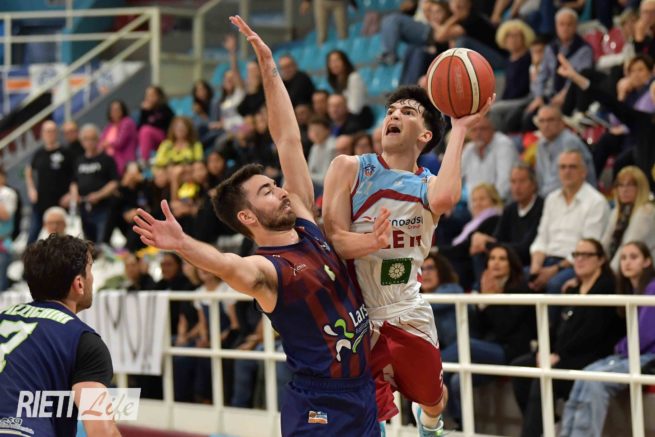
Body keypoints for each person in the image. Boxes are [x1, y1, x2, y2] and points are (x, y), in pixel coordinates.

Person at [133, 16, 379, 436]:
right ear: (247, 217)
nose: (281, 191)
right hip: (319, 404)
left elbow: (287, 139)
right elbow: (227, 265)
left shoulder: (304, 220)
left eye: (275, 185)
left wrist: (268, 67)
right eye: (267, 191)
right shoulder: (266, 270)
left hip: (362, 390)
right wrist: (183, 244)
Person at [322, 76, 493, 433]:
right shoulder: (350, 168)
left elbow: (446, 198)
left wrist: (460, 128)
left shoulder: (427, 185)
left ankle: (429, 424)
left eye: (408, 111)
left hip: (407, 310)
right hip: (356, 314)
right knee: (367, 418)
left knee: (434, 399)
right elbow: (335, 238)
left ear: (425, 135)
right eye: (391, 110)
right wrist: (371, 242)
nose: (394, 115)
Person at [0, 234, 120, 437]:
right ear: (79, 283)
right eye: (90, 270)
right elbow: (102, 432)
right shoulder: (83, 340)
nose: (92, 278)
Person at [511, 238, 625, 437]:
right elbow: (554, 327)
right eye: (576, 255)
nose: (579, 259)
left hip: (590, 357)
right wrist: (542, 351)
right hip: (563, 355)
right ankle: (551, 424)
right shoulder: (572, 289)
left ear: (601, 260)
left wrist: (559, 356)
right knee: (520, 368)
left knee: (545, 378)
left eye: (586, 255)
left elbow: (591, 334)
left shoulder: (607, 288)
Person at [559, 241, 655, 437]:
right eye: (623, 258)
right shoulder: (629, 290)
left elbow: (645, 335)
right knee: (584, 375)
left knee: (596, 381)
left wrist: (620, 348)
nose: (627, 262)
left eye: (634, 257)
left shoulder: (652, 288)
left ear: (647, 262)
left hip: (648, 357)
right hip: (633, 354)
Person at [441, 244, 535, 429]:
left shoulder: (520, 288)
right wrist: (483, 300)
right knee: (456, 379)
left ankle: (428, 366)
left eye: (502, 259)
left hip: (512, 351)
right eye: (492, 258)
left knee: (466, 345)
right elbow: (479, 328)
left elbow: (505, 329)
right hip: (489, 349)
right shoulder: (482, 286)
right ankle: (461, 425)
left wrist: (490, 300)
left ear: (511, 264)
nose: (496, 263)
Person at [25, 121, 75, 244]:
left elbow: (75, 176)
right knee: (33, 235)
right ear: (42, 134)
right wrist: (31, 189)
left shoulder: (66, 152)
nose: (50, 134)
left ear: (57, 133)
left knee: (64, 236)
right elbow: (29, 171)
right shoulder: (38, 153)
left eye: (53, 131)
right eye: (47, 131)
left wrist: (70, 195)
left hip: (61, 201)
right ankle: (28, 255)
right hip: (41, 200)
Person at [601, 166, 655, 273]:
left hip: (642, 271)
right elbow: (605, 244)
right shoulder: (618, 211)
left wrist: (607, 276)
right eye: (620, 185)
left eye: (630, 185)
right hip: (622, 268)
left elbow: (627, 249)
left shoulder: (646, 213)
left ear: (641, 188)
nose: (624, 190)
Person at [100, 100, 138, 176]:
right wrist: (104, 145)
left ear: (122, 110)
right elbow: (100, 144)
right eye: (112, 110)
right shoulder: (109, 127)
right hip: (109, 160)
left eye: (117, 109)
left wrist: (108, 143)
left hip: (125, 159)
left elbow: (119, 142)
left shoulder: (127, 122)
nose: (115, 112)